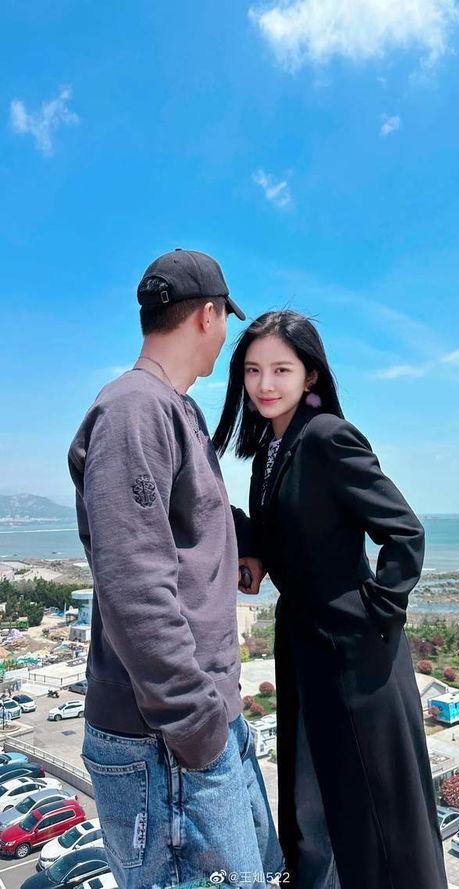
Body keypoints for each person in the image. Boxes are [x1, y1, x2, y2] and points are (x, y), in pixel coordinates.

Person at [68, 250, 283, 889]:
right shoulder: (133, 409)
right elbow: (134, 584)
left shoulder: (175, 409)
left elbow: (193, 511)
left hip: (197, 724)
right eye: (225, 323)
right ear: (208, 316)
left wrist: (247, 541)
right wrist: (197, 727)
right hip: (166, 737)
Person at [213, 310, 448, 889]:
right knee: (312, 810)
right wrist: (249, 545)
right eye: (252, 371)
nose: (265, 384)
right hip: (304, 650)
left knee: (379, 820)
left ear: (310, 375)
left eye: (281, 370)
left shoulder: (327, 437)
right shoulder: (269, 452)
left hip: (356, 657)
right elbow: (287, 529)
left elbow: (404, 532)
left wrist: (375, 617)